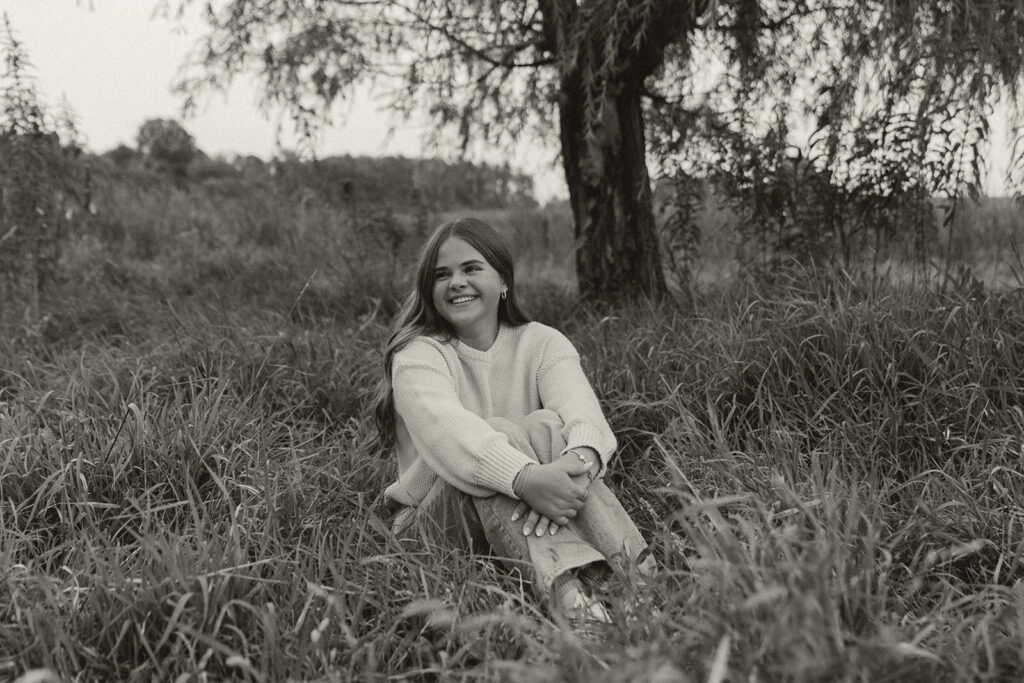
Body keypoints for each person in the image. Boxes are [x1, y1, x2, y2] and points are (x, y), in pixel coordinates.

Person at [372, 217, 654, 625]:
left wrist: (569, 473)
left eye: (471, 269)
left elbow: (585, 417)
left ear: (503, 280)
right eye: (441, 275)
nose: (456, 283)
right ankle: (574, 601)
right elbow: (453, 436)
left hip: (520, 511)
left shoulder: (541, 342)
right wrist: (525, 480)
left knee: (547, 427)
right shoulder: (418, 355)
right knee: (498, 434)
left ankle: (634, 591)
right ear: (429, 291)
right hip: (431, 528)